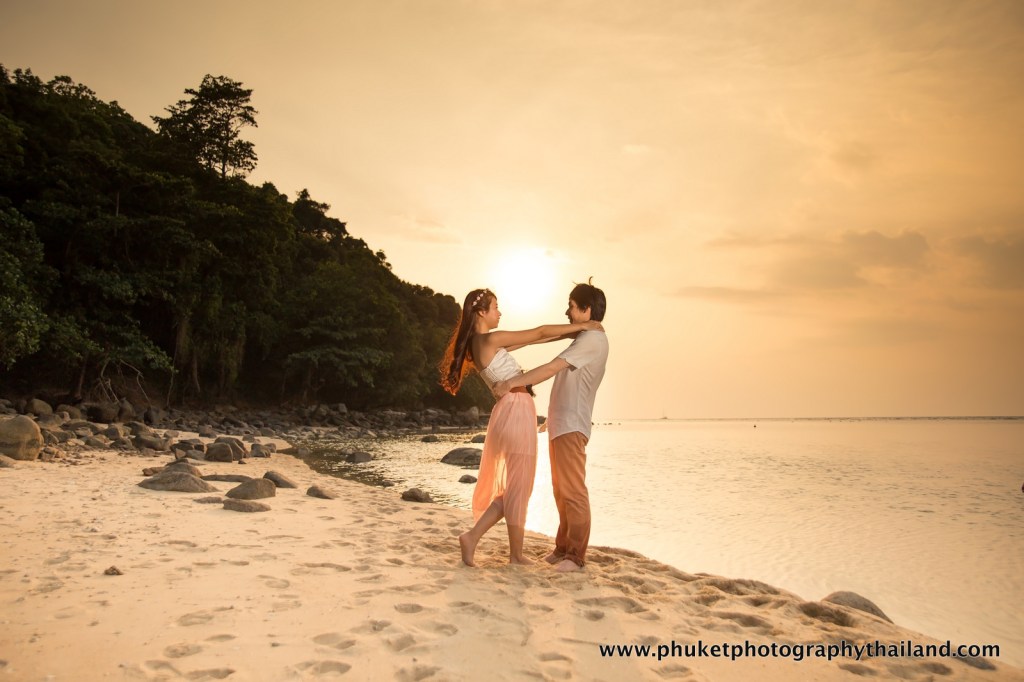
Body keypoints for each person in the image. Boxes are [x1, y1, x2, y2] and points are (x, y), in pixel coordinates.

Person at [440, 288, 602, 567]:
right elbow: (538, 333)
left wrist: (570, 332)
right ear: (481, 312)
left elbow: (535, 340)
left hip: (508, 412)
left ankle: (478, 540)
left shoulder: (481, 345)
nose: (499, 312)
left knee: (516, 487)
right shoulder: (491, 339)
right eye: (495, 307)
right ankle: (511, 554)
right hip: (516, 410)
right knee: (520, 487)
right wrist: (583, 326)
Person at [494, 279, 608, 573]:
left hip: (572, 424)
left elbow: (552, 368)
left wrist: (512, 382)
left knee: (573, 491)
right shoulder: (582, 337)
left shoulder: (593, 340)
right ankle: (562, 549)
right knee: (561, 490)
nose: (567, 312)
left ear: (586, 309)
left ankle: (576, 556)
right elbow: (546, 340)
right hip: (561, 423)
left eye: (571, 306)